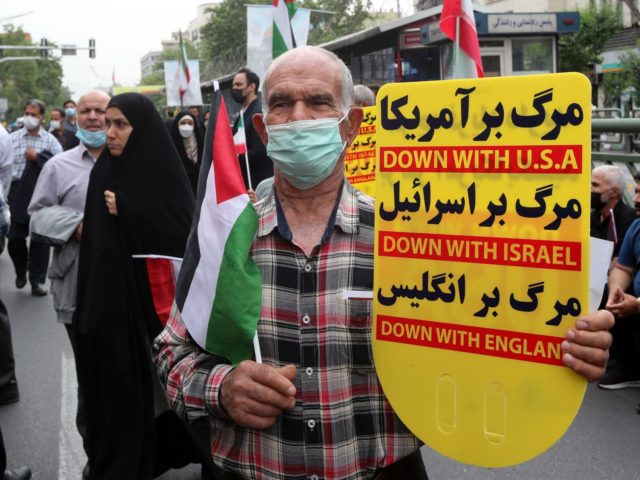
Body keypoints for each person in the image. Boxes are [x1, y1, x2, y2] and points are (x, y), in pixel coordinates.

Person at [154, 46, 613, 480]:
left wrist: (567, 347)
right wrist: (221, 388)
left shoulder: (417, 234)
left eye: (317, 102)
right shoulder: (227, 233)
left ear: (351, 125)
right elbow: (171, 352)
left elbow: (495, 329)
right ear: (262, 128)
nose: (298, 118)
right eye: (281, 104)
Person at [74, 93, 212, 479]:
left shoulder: (162, 170)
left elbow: (182, 234)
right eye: (109, 124)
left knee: (178, 387)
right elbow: (97, 250)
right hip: (113, 309)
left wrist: (132, 208)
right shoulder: (103, 172)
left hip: (158, 309)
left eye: (121, 125)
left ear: (142, 128)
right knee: (122, 392)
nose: (111, 133)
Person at [27, 90, 111, 477]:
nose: (93, 117)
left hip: (126, 286)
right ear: (75, 117)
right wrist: (75, 226)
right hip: (76, 287)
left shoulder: (126, 161)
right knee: (92, 376)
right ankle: (96, 454)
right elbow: (37, 217)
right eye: (86, 110)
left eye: (101, 111)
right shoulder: (58, 166)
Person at [8, 99, 62, 296]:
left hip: (41, 193)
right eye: (27, 113)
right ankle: (21, 270)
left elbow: (59, 166)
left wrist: (38, 157)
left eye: (33, 114)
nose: (29, 118)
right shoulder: (11, 138)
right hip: (15, 193)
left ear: (41, 117)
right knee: (14, 238)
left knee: (40, 240)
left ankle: (37, 281)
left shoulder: (50, 141)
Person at [604, 170, 640, 390]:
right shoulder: (637, 227)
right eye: (636, 192)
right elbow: (623, 268)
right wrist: (615, 290)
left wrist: (636, 305)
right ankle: (629, 368)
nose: (636, 199)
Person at [590, 165, 636, 309]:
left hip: (613, 294)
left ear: (614, 192)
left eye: (595, 185)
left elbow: (618, 264)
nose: (590, 189)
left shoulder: (629, 220)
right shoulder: (594, 216)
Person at [231, 67, 271, 190]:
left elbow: (260, 152)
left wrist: (233, 157)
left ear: (252, 87)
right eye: (233, 85)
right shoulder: (242, 113)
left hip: (257, 186)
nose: (234, 88)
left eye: (238, 84)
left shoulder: (257, 112)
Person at [169, 111, 203, 195]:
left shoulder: (200, 140)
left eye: (190, 123)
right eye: (183, 123)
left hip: (198, 183)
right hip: (180, 185)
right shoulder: (172, 141)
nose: (186, 126)